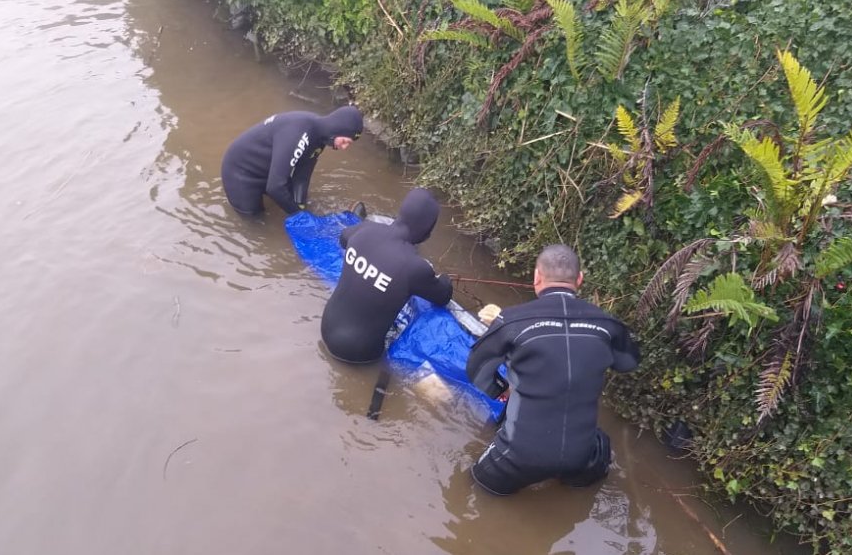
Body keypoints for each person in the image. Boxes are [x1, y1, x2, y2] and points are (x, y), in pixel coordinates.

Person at [465, 244, 640, 495]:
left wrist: (501, 390)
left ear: (537, 277)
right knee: (599, 444)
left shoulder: (511, 321)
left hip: (519, 454)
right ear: (579, 279)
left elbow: (476, 371)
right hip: (581, 456)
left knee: (475, 488)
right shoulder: (607, 325)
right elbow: (628, 363)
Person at [321, 188, 453, 363]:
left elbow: (344, 238)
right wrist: (444, 278)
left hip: (326, 327)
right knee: (409, 317)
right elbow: (443, 296)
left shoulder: (365, 229)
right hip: (359, 351)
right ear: (428, 232)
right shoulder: (415, 267)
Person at [220, 105, 363, 215]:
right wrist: (299, 216)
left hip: (267, 170)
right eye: (345, 141)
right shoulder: (298, 133)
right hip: (240, 174)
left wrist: (301, 206)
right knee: (256, 222)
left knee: (290, 198)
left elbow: (303, 175)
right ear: (337, 129)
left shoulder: (319, 136)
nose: (344, 147)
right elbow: (275, 187)